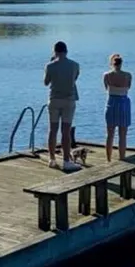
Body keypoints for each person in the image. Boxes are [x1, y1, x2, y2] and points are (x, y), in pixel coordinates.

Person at [43, 41, 81, 170]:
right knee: (66, 131)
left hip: (54, 99)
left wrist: (52, 64)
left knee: (52, 130)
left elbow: (46, 82)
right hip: (69, 100)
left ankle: (52, 159)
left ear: (55, 51)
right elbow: (75, 78)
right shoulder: (75, 65)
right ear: (66, 51)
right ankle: (66, 161)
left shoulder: (50, 66)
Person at [103, 53, 133, 163]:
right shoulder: (128, 75)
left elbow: (106, 88)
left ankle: (109, 159)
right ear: (121, 63)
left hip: (112, 102)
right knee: (123, 134)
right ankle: (122, 157)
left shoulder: (107, 75)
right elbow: (128, 87)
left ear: (112, 63)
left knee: (110, 134)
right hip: (123, 103)